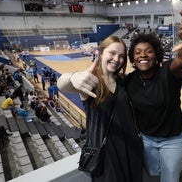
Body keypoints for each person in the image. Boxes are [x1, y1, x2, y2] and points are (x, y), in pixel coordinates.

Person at [58, 11, 182, 182]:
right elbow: (63, 84)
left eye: (148, 51)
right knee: (151, 172)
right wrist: (72, 77)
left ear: (156, 54)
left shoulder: (155, 74)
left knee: (167, 178)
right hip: (126, 144)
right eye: (137, 52)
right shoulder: (107, 81)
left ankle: (176, 161)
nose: (143, 55)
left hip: (152, 142)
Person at [57, 35, 143, 182]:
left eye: (121, 56)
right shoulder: (90, 82)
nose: (117, 59)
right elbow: (62, 84)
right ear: (101, 52)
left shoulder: (123, 81)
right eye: (112, 53)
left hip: (130, 146)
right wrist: (72, 77)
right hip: (106, 152)